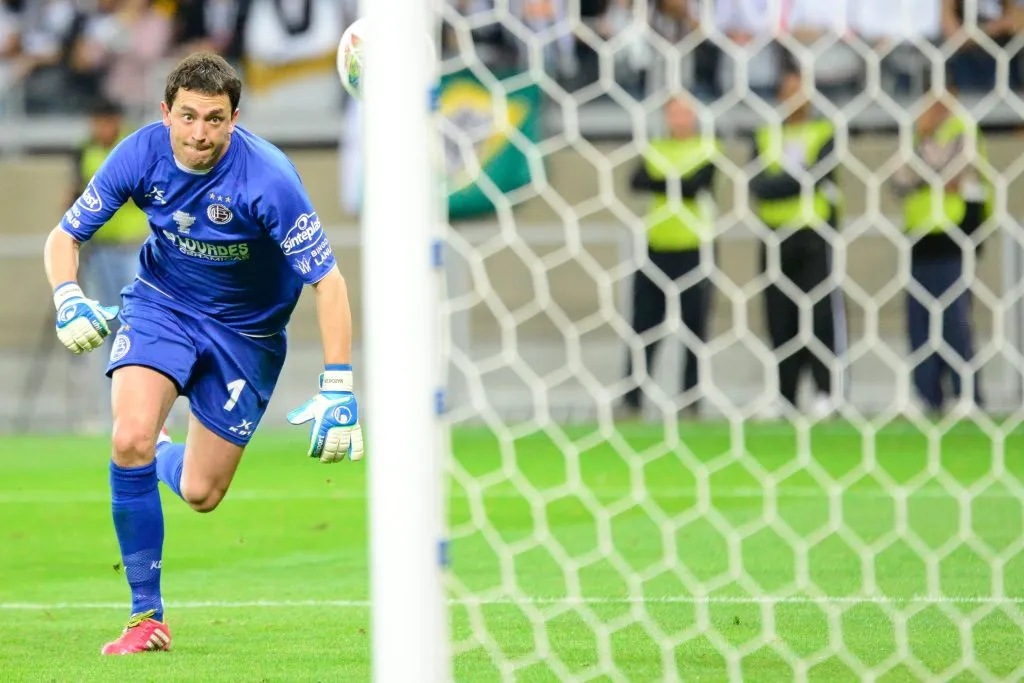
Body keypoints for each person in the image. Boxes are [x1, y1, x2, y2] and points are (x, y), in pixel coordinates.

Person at [42, 52, 364, 655]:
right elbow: (66, 236)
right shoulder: (139, 154)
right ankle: (146, 617)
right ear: (166, 112)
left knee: (200, 493)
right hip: (162, 305)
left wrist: (339, 385)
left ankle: (163, 450)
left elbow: (331, 282)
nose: (199, 133)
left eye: (214, 119)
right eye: (187, 116)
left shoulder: (269, 179)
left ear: (234, 118)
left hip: (247, 337)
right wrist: (67, 297)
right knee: (127, 438)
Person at [749, 67, 847, 419]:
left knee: (820, 317)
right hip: (775, 238)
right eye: (789, 90)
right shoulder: (764, 136)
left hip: (813, 236)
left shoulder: (824, 132)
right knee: (779, 319)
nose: (795, 98)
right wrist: (796, 179)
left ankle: (826, 393)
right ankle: (785, 396)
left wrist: (785, 182)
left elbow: (817, 177)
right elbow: (757, 185)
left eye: (801, 90)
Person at [892, 87, 990, 414]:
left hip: (954, 236)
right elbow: (899, 181)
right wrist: (929, 163)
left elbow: (955, 173)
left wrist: (926, 165)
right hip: (919, 238)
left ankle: (967, 395)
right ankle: (927, 396)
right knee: (919, 323)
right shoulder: (914, 132)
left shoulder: (963, 129)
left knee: (955, 322)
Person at [622, 96, 719, 418]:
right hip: (655, 248)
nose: (679, 118)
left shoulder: (706, 147)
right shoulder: (655, 148)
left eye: (684, 111)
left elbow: (697, 185)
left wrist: (662, 180)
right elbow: (636, 181)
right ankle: (632, 399)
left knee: (695, 328)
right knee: (644, 326)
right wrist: (674, 181)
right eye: (673, 112)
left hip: (695, 249)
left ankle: (691, 401)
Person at [68, 97, 151, 432]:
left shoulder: (132, 147)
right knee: (105, 327)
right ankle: (112, 408)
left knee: (142, 323)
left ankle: (152, 405)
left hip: (135, 248)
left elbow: (139, 191)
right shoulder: (84, 151)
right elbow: (76, 195)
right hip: (100, 249)